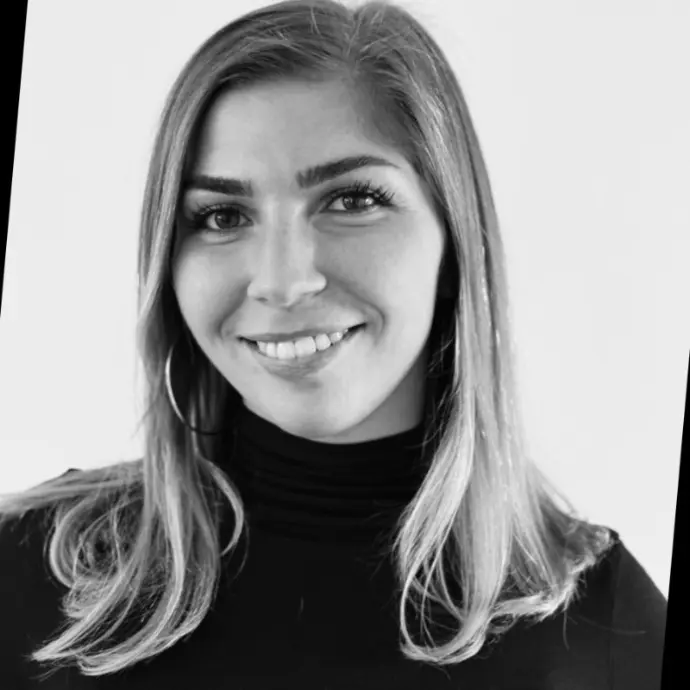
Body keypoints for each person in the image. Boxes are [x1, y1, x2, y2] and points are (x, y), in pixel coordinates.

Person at [0, 0, 667, 687]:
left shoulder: (607, 626)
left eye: (352, 201)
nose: (283, 281)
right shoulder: (31, 573)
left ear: (454, 242)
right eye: (222, 216)